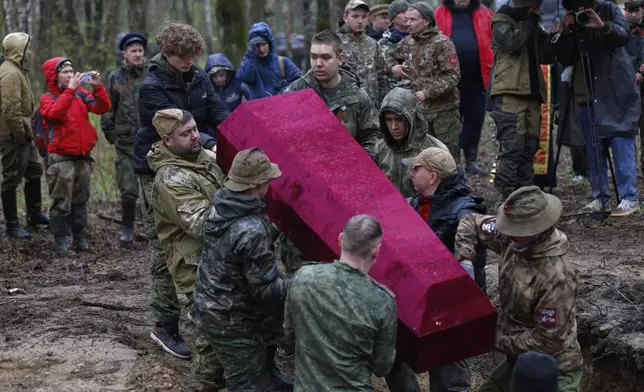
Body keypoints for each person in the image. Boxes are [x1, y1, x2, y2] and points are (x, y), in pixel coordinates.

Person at [133, 22, 229, 361]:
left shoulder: (199, 77)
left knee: (203, 235)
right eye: (182, 57)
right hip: (157, 165)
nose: (189, 62)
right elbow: (173, 127)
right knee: (165, 246)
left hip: (197, 157)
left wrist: (236, 134)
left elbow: (217, 111)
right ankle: (165, 324)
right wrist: (210, 144)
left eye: (192, 56)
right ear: (167, 54)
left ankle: (206, 307)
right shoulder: (152, 85)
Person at [455, 186, 582, 392]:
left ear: (535, 231)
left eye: (516, 232)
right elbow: (470, 222)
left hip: (554, 371)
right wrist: (466, 262)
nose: (508, 234)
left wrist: (492, 339)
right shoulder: (511, 235)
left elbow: (547, 340)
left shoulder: (557, 278)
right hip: (518, 362)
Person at [385, 147, 487, 392]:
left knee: (449, 375)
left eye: (417, 168)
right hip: (415, 301)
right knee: (392, 359)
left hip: (450, 310)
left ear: (432, 177)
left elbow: (472, 260)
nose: (410, 173)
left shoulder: (464, 211)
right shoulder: (414, 204)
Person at [194, 148, 293, 391]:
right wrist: (303, 280)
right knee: (247, 384)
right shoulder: (251, 231)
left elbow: (236, 245)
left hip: (213, 302)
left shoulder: (222, 205)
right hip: (231, 318)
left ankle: (269, 376)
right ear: (258, 184)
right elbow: (267, 291)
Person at [147, 109, 226, 391]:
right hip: (197, 266)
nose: (195, 136)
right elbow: (205, 224)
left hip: (226, 257)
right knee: (213, 336)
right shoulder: (170, 178)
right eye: (186, 133)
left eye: (194, 129)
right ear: (167, 140)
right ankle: (203, 383)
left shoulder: (205, 158)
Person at [284, 215, 396, 391]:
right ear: (376, 251)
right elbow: (382, 366)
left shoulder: (304, 277)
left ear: (340, 239)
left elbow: (289, 332)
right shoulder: (382, 301)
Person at [549, 0, 640, 216]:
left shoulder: (608, 9)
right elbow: (563, 58)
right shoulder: (570, 17)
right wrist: (565, 33)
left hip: (613, 87)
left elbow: (623, 35)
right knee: (592, 145)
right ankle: (600, 196)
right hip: (586, 90)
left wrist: (602, 25)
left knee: (620, 139)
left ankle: (629, 197)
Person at [40, 58, 111, 255]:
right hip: (60, 159)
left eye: (72, 71)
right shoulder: (47, 98)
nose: (71, 75)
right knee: (61, 202)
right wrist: (70, 90)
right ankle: (61, 242)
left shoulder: (81, 93)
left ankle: (79, 238)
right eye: (65, 72)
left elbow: (102, 107)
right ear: (54, 77)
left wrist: (97, 87)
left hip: (82, 157)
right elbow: (56, 114)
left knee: (81, 200)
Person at [283, 30, 380, 157]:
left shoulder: (357, 96)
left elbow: (372, 136)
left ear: (340, 59)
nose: (318, 64)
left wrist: (360, 161)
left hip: (347, 169)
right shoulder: (295, 93)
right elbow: (282, 135)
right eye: (314, 57)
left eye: (325, 57)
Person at [487, 0, 549, 201]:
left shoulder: (532, 22)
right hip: (509, 93)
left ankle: (525, 198)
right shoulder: (502, 18)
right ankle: (506, 200)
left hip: (531, 93)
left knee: (529, 148)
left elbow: (546, 54)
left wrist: (558, 33)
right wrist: (530, 20)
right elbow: (513, 43)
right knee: (512, 148)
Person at [387, 2, 462, 161]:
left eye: (412, 20)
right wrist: (394, 67)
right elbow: (389, 55)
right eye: (406, 20)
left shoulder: (442, 43)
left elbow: (453, 76)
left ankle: (452, 186)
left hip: (444, 111)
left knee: (447, 157)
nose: (407, 23)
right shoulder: (408, 42)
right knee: (424, 158)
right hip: (420, 113)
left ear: (426, 21)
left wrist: (428, 92)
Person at [435, 0, 493, 175]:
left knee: (476, 120)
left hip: (477, 79)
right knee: (451, 121)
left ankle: (470, 160)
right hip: (448, 80)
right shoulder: (438, 14)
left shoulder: (486, 14)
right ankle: (452, 161)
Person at [0, 32, 48, 238]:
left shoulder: (18, 70)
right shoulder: (10, 73)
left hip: (23, 134)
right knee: (11, 177)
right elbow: (10, 109)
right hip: (13, 136)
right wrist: (19, 134)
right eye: (27, 47)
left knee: (34, 170)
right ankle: (12, 225)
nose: (30, 51)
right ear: (19, 50)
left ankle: (35, 214)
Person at [101, 32, 147, 246]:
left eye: (140, 50)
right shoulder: (115, 77)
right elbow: (107, 107)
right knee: (128, 189)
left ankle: (152, 229)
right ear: (124, 54)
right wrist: (111, 135)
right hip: (126, 143)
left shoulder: (151, 75)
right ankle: (127, 229)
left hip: (150, 141)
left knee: (151, 189)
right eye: (133, 51)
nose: (138, 55)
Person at [374, 88, 448, 199]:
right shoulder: (380, 149)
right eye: (388, 120)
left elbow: (446, 197)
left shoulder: (435, 151)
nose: (394, 127)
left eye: (399, 119)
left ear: (412, 118)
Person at [337, 0, 386, 106]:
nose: (360, 21)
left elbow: (382, 77)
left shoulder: (373, 44)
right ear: (346, 17)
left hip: (373, 109)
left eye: (363, 17)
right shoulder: (335, 43)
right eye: (355, 16)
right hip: (347, 109)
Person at [237, 22, 301, 100]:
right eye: (257, 45)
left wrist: (285, 90)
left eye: (263, 44)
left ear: (270, 43)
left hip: (283, 108)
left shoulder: (282, 62)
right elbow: (243, 77)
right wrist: (250, 54)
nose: (261, 49)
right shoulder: (251, 64)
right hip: (259, 110)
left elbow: (300, 82)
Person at [379, 1, 411, 95]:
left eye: (407, 11)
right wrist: (391, 68)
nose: (406, 15)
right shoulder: (383, 43)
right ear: (392, 19)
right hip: (395, 92)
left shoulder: (419, 38)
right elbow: (377, 68)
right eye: (401, 12)